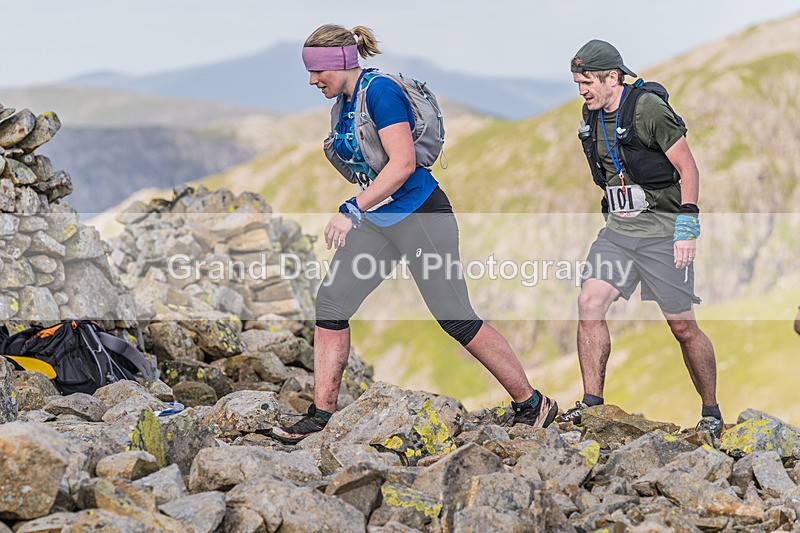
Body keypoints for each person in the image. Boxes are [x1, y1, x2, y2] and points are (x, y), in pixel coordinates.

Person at [266, 24, 558, 444]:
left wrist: (353, 208)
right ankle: (320, 417)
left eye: (317, 72)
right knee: (331, 303)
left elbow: (403, 164)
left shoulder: (380, 93)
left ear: (342, 63)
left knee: (455, 317)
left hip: (422, 216)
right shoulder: (345, 103)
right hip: (382, 221)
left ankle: (532, 405)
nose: (313, 81)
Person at [556, 40, 724, 438]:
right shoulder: (591, 113)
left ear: (612, 77)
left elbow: (689, 168)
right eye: (578, 83)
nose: (582, 90)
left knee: (682, 328)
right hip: (618, 233)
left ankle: (712, 411)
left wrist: (687, 224)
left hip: (663, 233)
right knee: (589, 303)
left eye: (587, 82)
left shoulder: (648, 109)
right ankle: (591, 404)